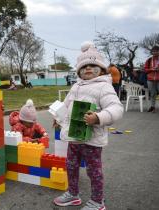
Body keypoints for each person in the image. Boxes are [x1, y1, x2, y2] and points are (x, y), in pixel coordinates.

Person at [53, 41, 123, 210]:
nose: (88, 69)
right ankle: (73, 194)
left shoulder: (104, 86)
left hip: (92, 139)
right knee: (71, 166)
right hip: (74, 137)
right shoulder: (76, 86)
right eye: (84, 66)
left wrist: (98, 117)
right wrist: (59, 118)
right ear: (79, 71)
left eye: (93, 65)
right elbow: (66, 105)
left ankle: (98, 201)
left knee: (93, 171)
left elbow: (116, 108)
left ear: (102, 69)